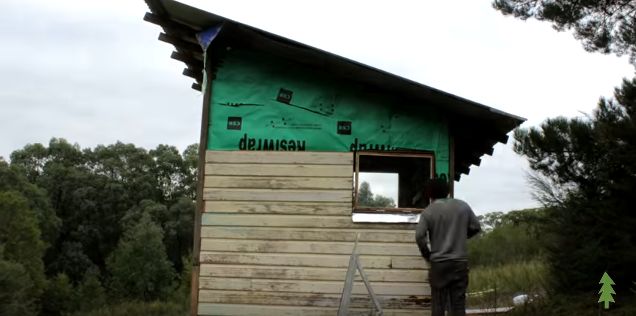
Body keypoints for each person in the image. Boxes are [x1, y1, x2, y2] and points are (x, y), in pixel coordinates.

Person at [415, 176, 481, 316]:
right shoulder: (463, 206)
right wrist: (463, 236)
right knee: (458, 305)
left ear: (430, 193)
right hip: (459, 263)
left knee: (438, 305)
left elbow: (420, 236)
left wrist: (428, 255)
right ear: (448, 191)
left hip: (439, 264)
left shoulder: (428, 211)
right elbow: (476, 227)